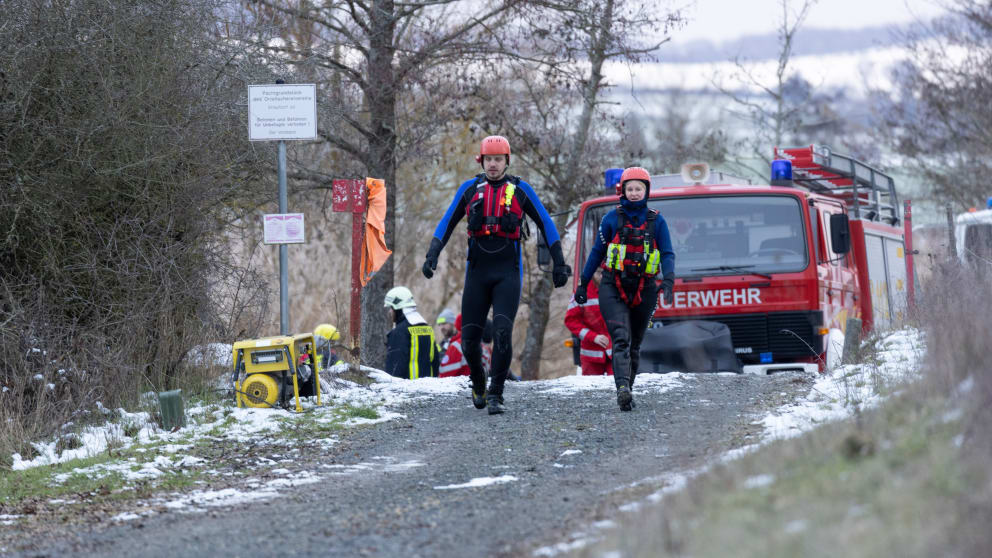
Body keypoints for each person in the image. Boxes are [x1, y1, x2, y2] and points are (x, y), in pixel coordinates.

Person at [422, 135, 570, 414]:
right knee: (468, 341)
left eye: (498, 160)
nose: (493, 164)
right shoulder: (469, 189)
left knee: (502, 333)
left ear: (506, 161)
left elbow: (545, 223)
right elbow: (447, 222)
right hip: (477, 274)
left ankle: (496, 394)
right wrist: (432, 254)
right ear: (481, 161)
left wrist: (559, 262)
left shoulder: (521, 190)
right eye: (488, 159)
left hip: (507, 274)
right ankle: (479, 380)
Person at [574, 167, 675, 411]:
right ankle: (622, 389)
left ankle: (628, 388)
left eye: (638, 188)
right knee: (621, 339)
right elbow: (596, 253)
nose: (634, 193)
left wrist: (669, 280)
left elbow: (667, 253)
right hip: (613, 286)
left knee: (635, 344)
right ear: (623, 191)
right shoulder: (610, 219)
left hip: (645, 288)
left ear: (646, 191)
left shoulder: (657, 221)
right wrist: (583, 283)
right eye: (630, 189)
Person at [564, 268, 613, 376]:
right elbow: (570, 321)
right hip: (591, 355)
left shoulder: (617, 288)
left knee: (618, 385)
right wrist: (593, 337)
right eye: (599, 272)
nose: (602, 276)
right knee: (591, 386)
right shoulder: (582, 291)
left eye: (605, 272)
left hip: (616, 353)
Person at [384, 286, 440, 379]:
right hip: (429, 387)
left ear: (397, 308)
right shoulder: (427, 329)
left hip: (407, 387)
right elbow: (435, 362)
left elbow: (395, 369)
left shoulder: (399, 332)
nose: (390, 311)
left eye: (391, 308)